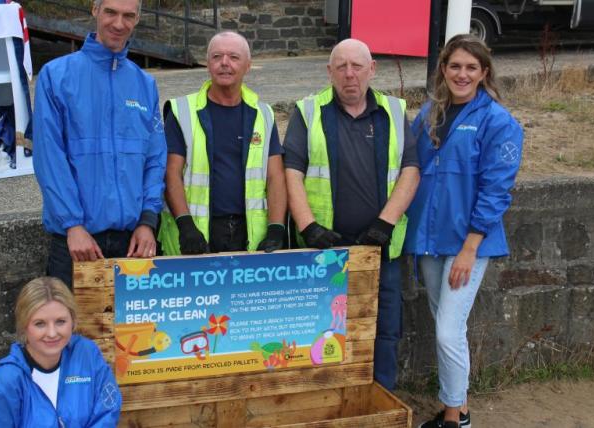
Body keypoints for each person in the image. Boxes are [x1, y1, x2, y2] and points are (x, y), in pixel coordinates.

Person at [283, 38, 420, 391]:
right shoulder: (308, 111)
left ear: (372, 69)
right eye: (341, 67)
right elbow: (291, 173)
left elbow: (410, 170)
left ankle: (380, 398)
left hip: (380, 249)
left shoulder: (393, 110)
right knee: (320, 332)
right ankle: (329, 401)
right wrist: (308, 226)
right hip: (324, 252)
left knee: (383, 329)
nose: (349, 74)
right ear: (329, 72)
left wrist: (384, 223)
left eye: (357, 66)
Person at [407, 34, 523, 428]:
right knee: (447, 329)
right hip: (430, 238)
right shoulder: (429, 114)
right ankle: (461, 406)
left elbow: (496, 189)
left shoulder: (498, 122)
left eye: (471, 67)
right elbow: (411, 171)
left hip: (468, 244)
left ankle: (455, 419)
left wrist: (470, 247)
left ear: (484, 72)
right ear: (443, 69)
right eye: (455, 66)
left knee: (446, 331)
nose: (462, 73)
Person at [33, 0, 167, 287]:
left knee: (135, 333)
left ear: (138, 19)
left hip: (133, 241)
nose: (119, 24)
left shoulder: (145, 84)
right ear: (95, 10)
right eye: (111, 12)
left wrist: (147, 221)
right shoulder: (56, 76)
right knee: (70, 331)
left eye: (128, 16)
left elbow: (155, 159)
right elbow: (50, 159)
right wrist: (73, 224)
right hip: (77, 242)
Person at [158, 31, 287, 255]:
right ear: (208, 64)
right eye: (217, 56)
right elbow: (171, 172)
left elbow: (275, 175)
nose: (224, 63)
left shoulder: (263, 114)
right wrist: (185, 224)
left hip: (248, 236)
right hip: (195, 235)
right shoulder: (182, 111)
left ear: (248, 66)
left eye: (233, 57)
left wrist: (276, 227)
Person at [0, 277, 121, 427]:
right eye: (40, 324)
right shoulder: (3, 384)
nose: (52, 333)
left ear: (73, 321)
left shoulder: (87, 353)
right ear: (24, 326)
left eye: (60, 321)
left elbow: (107, 412)